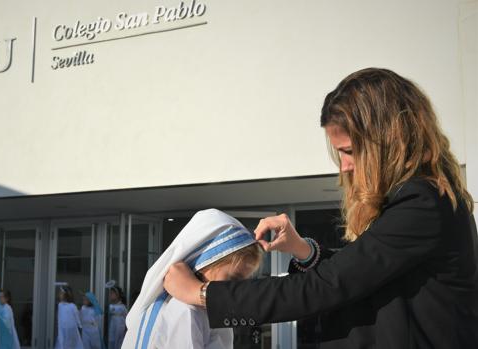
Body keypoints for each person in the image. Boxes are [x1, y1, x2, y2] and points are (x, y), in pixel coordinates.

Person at [162, 68, 478, 348]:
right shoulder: (422, 200)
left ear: (388, 141)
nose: (344, 166)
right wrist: (304, 251)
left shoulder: (422, 204)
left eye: (350, 151)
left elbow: (325, 287)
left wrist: (202, 294)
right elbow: (365, 274)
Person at [123, 208, 263, 349]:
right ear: (203, 264)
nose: (239, 288)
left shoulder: (207, 309)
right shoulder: (187, 310)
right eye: (233, 278)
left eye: (244, 281)